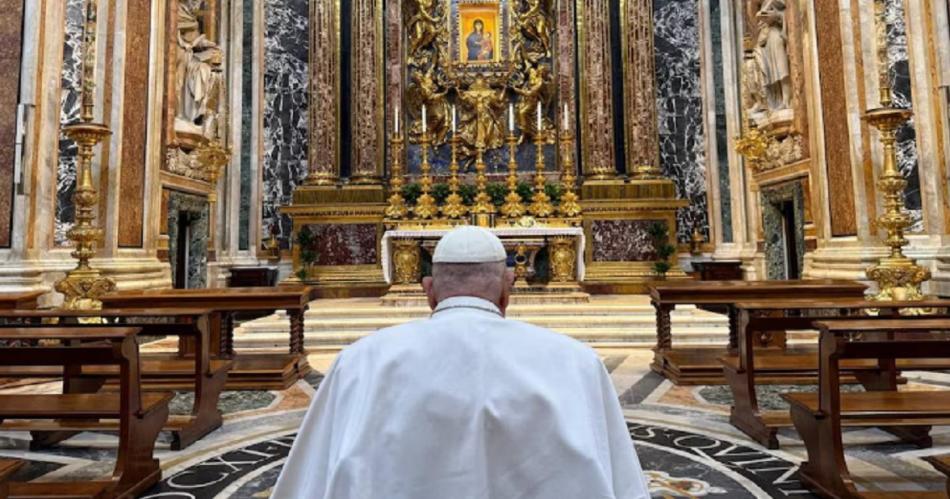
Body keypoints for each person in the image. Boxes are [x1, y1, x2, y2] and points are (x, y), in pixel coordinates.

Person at [271, 226, 651, 499]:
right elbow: (624, 487)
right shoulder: (578, 364)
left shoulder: (359, 364)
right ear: (507, 290)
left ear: (429, 291)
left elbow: (308, 484)